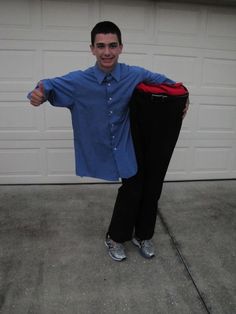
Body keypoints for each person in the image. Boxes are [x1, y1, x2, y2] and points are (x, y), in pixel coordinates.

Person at [28, 21, 189, 262]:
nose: (107, 52)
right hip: (101, 146)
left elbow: (167, 83)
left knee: (147, 188)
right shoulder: (79, 81)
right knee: (133, 189)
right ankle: (115, 237)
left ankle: (142, 235)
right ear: (92, 48)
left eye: (112, 45)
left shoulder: (134, 74)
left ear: (121, 47)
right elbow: (48, 85)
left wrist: (185, 100)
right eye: (101, 46)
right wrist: (38, 94)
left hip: (128, 144)